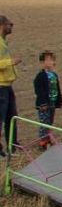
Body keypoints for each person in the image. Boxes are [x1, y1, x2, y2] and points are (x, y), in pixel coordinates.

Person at [32, 50, 62, 148]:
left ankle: (48, 137)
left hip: (52, 102)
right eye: (48, 60)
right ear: (42, 62)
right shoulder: (40, 76)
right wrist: (43, 103)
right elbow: (39, 91)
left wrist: (60, 100)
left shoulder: (54, 75)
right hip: (44, 104)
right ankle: (43, 141)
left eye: (52, 60)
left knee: (50, 121)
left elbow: (57, 88)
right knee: (44, 122)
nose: (50, 62)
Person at [0, 15, 18, 154]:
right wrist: (11, 62)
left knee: (12, 117)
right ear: (2, 25)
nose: (11, 26)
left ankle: (13, 145)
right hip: (1, 86)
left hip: (7, 85)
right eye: (9, 24)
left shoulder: (3, 42)